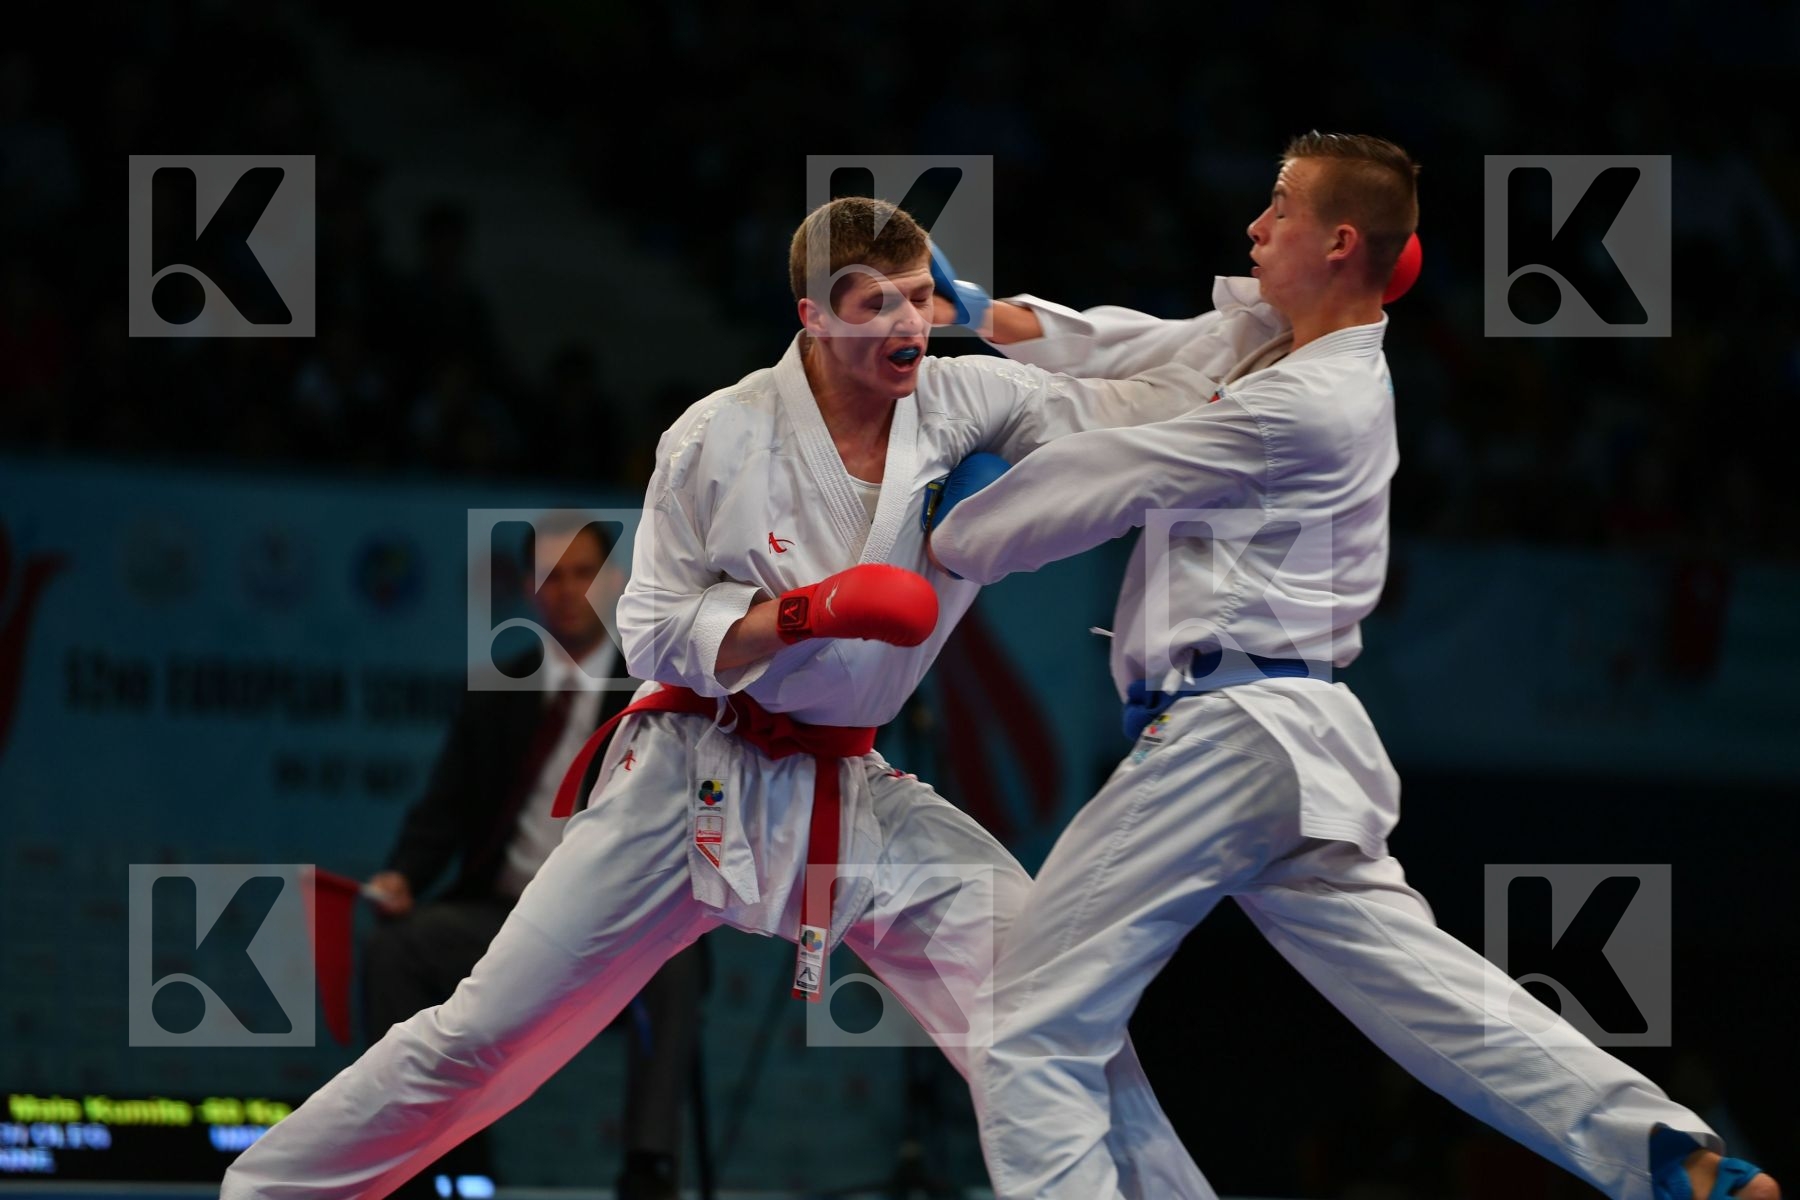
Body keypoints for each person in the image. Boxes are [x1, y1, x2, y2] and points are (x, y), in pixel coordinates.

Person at [222, 195, 1254, 1200]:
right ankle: (268, 1190)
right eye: (875, 305)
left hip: (847, 785)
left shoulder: (964, 398)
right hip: (688, 778)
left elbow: (1128, 413)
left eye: (916, 299)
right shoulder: (717, 436)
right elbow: (651, 631)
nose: (906, 326)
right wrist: (808, 613)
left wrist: (1274, 361)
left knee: (1048, 1005)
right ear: (812, 315)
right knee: (486, 1038)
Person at [927, 132, 1780, 1200]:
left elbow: (1108, 475)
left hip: (1229, 735)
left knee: (1027, 1028)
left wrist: (950, 534)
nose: (1254, 225)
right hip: (1292, 739)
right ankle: (1666, 1154)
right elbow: (1144, 345)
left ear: (1338, 242)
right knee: (1433, 999)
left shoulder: (1307, 402)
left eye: (1279, 207)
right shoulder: (1272, 342)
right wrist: (982, 314)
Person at [360, 516, 703, 1200]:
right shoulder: (498, 687)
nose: (567, 590)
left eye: (582, 573)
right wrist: (403, 875)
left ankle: (648, 1168)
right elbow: (445, 807)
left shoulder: (659, 688)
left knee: (679, 957)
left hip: (617, 924)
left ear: (614, 582)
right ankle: (433, 1159)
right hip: (503, 917)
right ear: (528, 588)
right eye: (551, 577)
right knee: (397, 950)